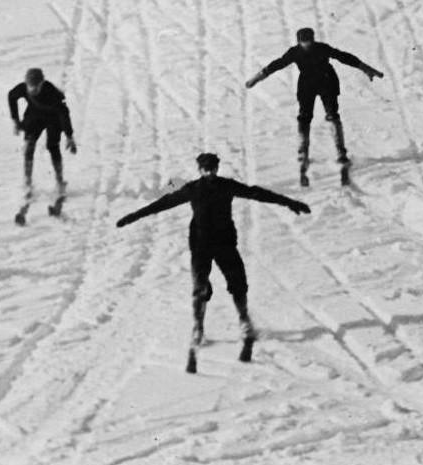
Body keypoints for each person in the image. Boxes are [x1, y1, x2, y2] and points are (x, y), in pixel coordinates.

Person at [115, 153, 311, 359]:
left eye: (212, 169)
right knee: (200, 287)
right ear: (199, 170)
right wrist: (134, 216)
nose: (209, 172)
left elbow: (255, 193)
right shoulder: (192, 189)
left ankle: (244, 320)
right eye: (205, 169)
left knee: (238, 283)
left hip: (224, 243)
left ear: (217, 169)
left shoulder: (227, 185)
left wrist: (289, 202)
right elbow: (163, 203)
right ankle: (198, 327)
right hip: (200, 245)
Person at [245, 27, 383, 186]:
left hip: (327, 82)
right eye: (304, 42)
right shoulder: (295, 52)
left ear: (313, 39)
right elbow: (278, 64)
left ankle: (340, 151)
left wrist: (365, 68)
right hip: (307, 86)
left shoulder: (322, 48)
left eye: (309, 41)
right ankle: (303, 150)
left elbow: (343, 57)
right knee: (304, 117)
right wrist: (257, 78)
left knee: (332, 115)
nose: (307, 45)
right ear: (299, 42)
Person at [8, 68, 77, 196]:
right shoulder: (23, 88)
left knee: (52, 146)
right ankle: (27, 182)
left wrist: (69, 136)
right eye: (30, 87)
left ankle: (60, 181)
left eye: (36, 87)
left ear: (42, 83)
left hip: (54, 118)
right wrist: (16, 120)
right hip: (35, 117)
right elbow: (12, 96)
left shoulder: (52, 93)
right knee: (29, 146)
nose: (32, 90)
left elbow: (64, 114)